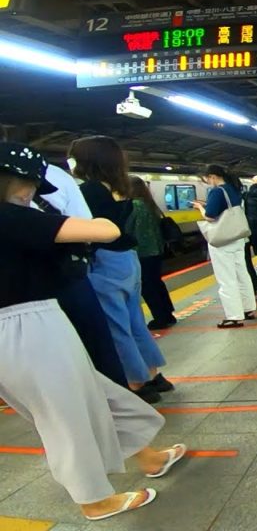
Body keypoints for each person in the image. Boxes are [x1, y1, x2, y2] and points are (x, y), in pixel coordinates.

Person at [0, 142, 186, 521]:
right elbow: (104, 229)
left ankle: (147, 458)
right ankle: (93, 499)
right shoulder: (10, 217)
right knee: (64, 414)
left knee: (94, 395)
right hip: (24, 326)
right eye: (31, 185)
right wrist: (53, 210)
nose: (33, 193)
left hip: (33, 320)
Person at [69, 136, 171, 404]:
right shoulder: (118, 186)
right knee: (135, 319)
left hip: (104, 260)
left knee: (116, 324)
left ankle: (136, 383)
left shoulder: (89, 190)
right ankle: (153, 374)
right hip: (127, 258)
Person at [35, 164, 129, 389]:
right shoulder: (53, 174)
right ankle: (115, 405)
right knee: (97, 344)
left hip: (27, 293)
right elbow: (100, 230)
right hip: (64, 277)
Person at [194, 165, 257, 328]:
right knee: (242, 273)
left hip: (223, 240)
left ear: (213, 177)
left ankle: (234, 316)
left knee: (226, 278)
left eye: (207, 179)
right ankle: (248, 308)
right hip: (237, 238)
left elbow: (209, 217)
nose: (208, 183)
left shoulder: (217, 191)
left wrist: (200, 207)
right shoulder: (233, 188)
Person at [126, 177, 177, 330]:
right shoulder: (149, 204)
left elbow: (128, 229)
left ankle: (160, 318)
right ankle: (168, 314)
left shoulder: (133, 206)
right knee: (157, 282)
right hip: (156, 249)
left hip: (142, 251)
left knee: (147, 286)